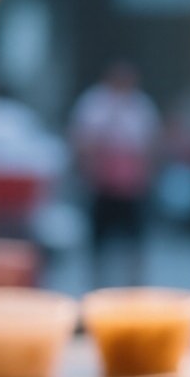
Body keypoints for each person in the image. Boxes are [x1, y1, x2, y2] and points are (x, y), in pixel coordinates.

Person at [69, 61, 161, 288]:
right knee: (98, 241)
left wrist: (146, 174)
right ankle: (97, 286)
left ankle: (134, 288)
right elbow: (82, 140)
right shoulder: (94, 103)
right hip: (102, 184)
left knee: (134, 242)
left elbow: (151, 144)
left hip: (131, 186)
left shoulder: (141, 106)